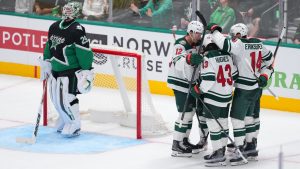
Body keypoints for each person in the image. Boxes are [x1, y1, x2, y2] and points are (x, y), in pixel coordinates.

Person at [207, 22, 274, 165]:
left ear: (238, 35)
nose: (232, 38)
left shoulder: (239, 45)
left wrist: (214, 31)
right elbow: (269, 61)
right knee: (250, 117)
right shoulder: (258, 44)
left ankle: (241, 150)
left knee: (237, 119)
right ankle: (251, 146)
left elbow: (224, 44)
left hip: (244, 89)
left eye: (233, 36)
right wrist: (264, 76)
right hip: (256, 88)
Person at [40, 1, 94, 137]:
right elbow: (49, 45)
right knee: (55, 98)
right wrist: (46, 61)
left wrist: (87, 70)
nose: (67, 13)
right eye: (66, 10)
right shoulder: (53, 26)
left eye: (70, 10)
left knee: (67, 98)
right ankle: (65, 119)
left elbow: (84, 52)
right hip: (55, 70)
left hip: (70, 71)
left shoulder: (77, 30)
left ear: (76, 12)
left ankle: (74, 124)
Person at [190, 34, 238, 167]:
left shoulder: (207, 58)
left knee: (213, 124)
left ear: (205, 46)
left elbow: (209, 79)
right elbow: (235, 75)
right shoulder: (228, 56)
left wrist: (198, 90)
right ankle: (221, 151)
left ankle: (218, 154)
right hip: (227, 96)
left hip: (214, 97)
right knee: (223, 123)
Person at [167, 21, 208, 157]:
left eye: (201, 33)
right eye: (197, 33)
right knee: (185, 113)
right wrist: (189, 59)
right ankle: (176, 144)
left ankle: (184, 140)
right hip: (180, 83)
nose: (199, 36)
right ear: (190, 32)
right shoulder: (181, 44)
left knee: (190, 112)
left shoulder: (197, 44)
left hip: (190, 83)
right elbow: (178, 61)